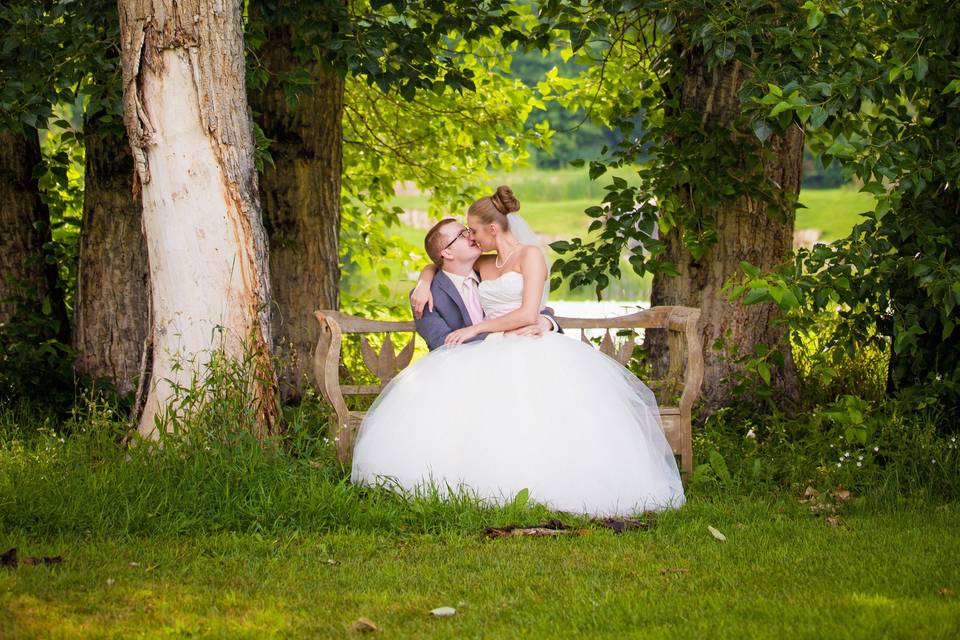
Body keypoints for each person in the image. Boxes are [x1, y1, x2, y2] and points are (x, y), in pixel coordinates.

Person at [351, 186, 685, 516]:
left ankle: (554, 483)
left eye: (472, 230)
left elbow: (529, 311)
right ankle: (492, 484)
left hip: (528, 347)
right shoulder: (482, 265)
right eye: (463, 234)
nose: (470, 236)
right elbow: (437, 268)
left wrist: (538, 323)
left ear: (491, 229)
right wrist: (423, 280)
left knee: (545, 418)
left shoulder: (526, 256)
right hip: (485, 358)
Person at [412, 217, 560, 351]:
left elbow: (531, 308)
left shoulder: (492, 272)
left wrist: (546, 322)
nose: (472, 236)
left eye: (469, 230)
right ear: (447, 253)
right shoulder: (425, 296)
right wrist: (503, 336)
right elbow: (440, 343)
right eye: (462, 234)